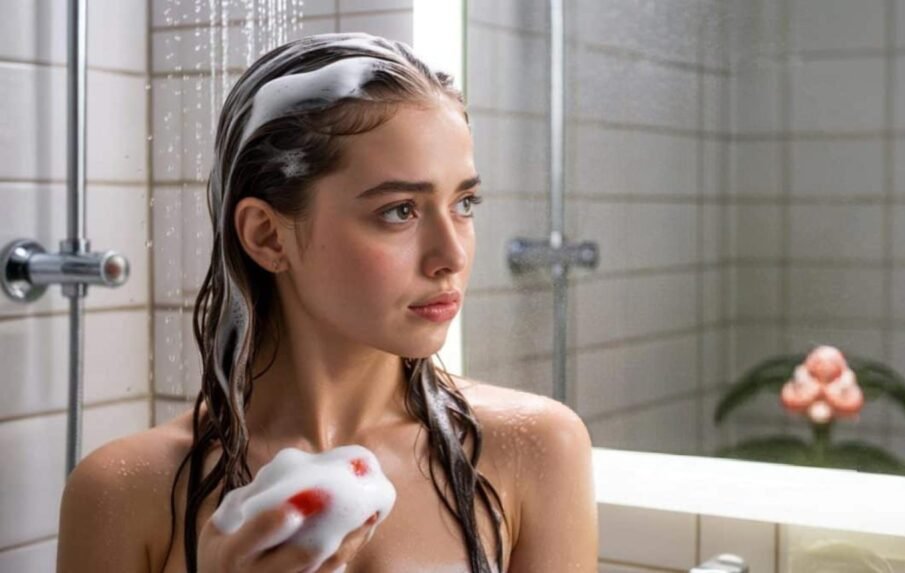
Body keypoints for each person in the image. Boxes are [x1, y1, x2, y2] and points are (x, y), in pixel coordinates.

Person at [55, 32, 597, 572]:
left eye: (464, 202)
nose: (450, 255)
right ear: (268, 236)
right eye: (399, 211)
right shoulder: (124, 492)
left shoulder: (535, 449)